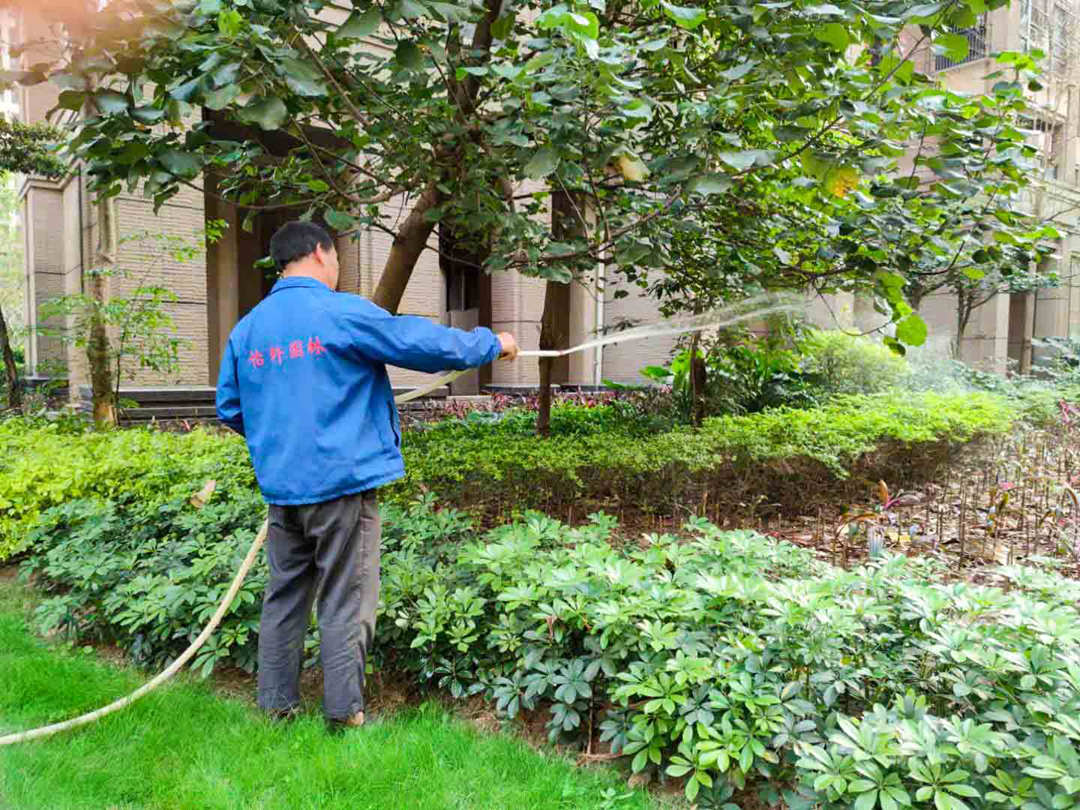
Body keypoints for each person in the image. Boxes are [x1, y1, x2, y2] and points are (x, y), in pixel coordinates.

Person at [215, 221, 518, 730]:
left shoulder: (249, 329)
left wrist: (282, 441)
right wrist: (492, 344)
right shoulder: (338, 311)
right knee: (346, 598)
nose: (338, 269)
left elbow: (229, 405)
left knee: (285, 596)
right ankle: (344, 714)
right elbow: (417, 342)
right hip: (341, 486)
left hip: (284, 490)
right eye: (336, 259)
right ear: (319, 253)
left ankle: (275, 708)